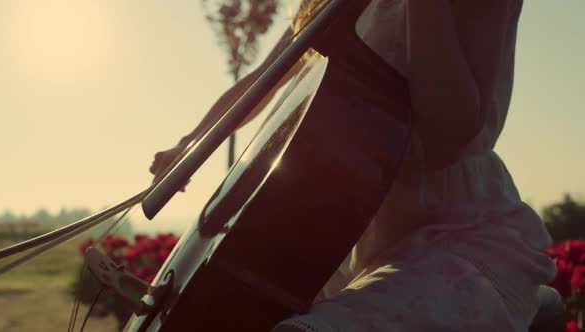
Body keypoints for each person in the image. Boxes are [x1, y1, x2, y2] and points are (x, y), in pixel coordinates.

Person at [150, 0, 557, 331]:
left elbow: (446, 141)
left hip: (456, 240)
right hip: (350, 240)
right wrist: (188, 147)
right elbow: (261, 82)